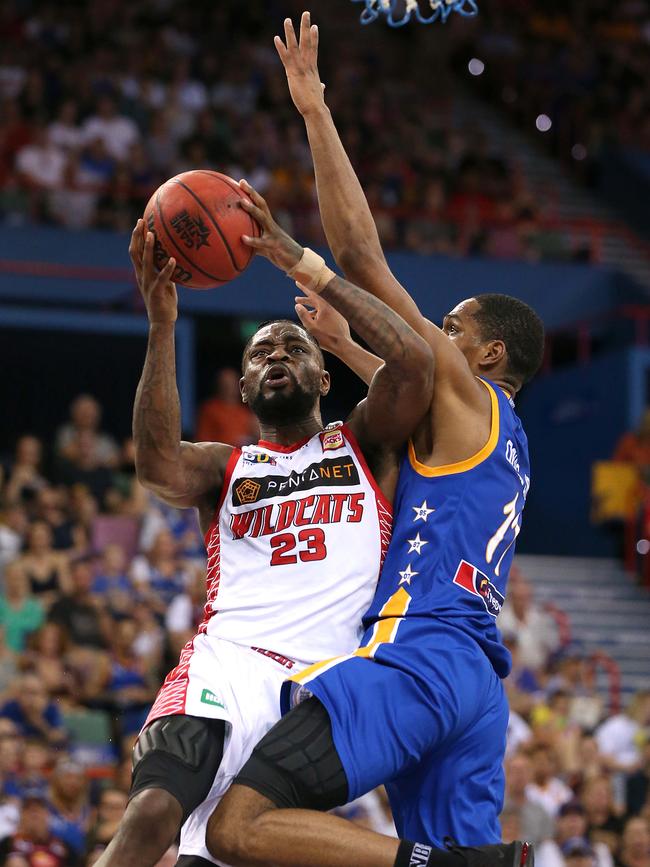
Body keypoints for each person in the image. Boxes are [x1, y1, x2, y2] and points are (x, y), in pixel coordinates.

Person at [206, 14, 544, 867]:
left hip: (417, 649)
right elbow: (404, 376)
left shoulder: (469, 390)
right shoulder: (507, 439)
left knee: (238, 825)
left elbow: (360, 254)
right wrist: (345, 339)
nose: (436, 326)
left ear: (489, 353)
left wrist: (313, 119)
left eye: (452, 323)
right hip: (475, 682)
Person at [95, 178, 432, 867]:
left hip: (319, 695)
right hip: (226, 662)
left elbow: (416, 362)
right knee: (153, 809)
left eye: (293, 347)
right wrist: (161, 323)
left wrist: (293, 260)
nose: (276, 354)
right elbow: (157, 464)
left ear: (324, 374)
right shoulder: (227, 467)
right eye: (259, 353)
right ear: (244, 388)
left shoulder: (362, 443)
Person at [195, 368, 259, 446]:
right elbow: (202, 441)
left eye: (232, 384)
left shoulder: (245, 412)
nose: (229, 388)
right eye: (225, 384)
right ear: (218, 385)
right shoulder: (210, 409)